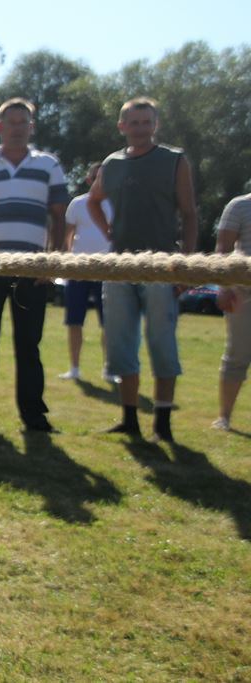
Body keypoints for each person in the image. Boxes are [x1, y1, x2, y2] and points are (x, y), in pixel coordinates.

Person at [88, 97, 198, 442]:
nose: (140, 128)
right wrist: (106, 229)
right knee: (120, 345)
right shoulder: (112, 163)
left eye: (146, 122)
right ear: (122, 127)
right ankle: (130, 419)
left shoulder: (174, 160)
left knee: (161, 343)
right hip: (120, 266)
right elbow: (93, 200)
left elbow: (190, 213)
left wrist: (187, 265)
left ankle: (162, 422)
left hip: (162, 265)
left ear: (156, 124)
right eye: (133, 123)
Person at [0, 98, 68, 431]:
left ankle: (33, 416)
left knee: (29, 345)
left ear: (31, 127)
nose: (17, 128)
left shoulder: (49, 165)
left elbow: (60, 218)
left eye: (24, 122)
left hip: (32, 271)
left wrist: (52, 263)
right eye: (11, 122)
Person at [58, 162, 118, 383]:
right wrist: (66, 260)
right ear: (88, 180)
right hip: (78, 270)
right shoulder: (77, 204)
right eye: (96, 177)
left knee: (108, 323)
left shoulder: (117, 204)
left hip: (108, 271)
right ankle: (74, 368)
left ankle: (109, 369)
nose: (99, 181)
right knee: (74, 322)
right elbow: (68, 235)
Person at [211, 192, 250, 431]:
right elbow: (223, 249)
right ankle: (224, 417)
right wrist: (224, 287)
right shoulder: (239, 205)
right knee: (237, 356)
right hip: (243, 293)